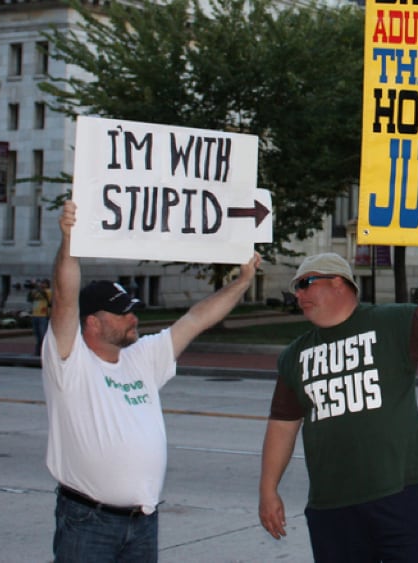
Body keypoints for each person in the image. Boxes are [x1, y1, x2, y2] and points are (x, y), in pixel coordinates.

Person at [42, 199, 260, 562]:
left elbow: (196, 319)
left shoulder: (141, 357)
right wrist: (69, 241)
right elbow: (65, 300)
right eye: (122, 313)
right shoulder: (69, 361)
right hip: (88, 523)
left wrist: (243, 282)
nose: (133, 318)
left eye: (132, 310)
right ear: (92, 322)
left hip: (143, 523)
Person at [258, 249, 418, 562]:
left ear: (338, 282)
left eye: (305, 283)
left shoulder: (394, 323)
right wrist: (268, 490)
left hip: (402, 495)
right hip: (332, 508)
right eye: (296, 288)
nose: (298, 294)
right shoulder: (294, 356)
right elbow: (282, 426)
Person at [28, 278, 52, 356]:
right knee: (37, 335)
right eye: (41, 283)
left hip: (43, 315)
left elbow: (45, 295)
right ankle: (38, 352)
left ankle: (45, 352)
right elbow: (29, 299)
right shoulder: (36, 291)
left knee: (43, 334)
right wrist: (31, 289)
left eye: (44, 283)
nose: (42, 284)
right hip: (35, 314)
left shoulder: (48, 291)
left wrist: (36, 286)